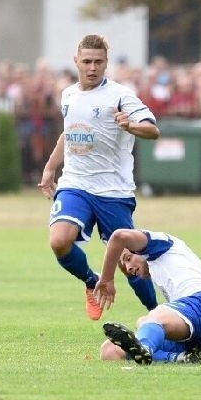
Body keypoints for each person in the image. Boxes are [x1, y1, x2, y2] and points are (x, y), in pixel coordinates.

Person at [38, 34, 160, 321]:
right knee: (59, 241)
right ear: (76, 61)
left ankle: (159, 315)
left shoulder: (119, 95)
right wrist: (50, 167)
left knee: (130, 262)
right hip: (75, 184)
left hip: (113, 191)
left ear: (106, 63)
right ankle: (92, 282)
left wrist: (130, 125)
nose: (93, 67)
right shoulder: (68, 94)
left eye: (99, 62)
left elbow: (152, 129)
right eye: (87, 61)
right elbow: (70, 133)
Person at [95, 228, 201, 364]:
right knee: (110, 350)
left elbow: (118, 236)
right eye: (125, 266)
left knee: (147, 320)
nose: (128, 268)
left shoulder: (162, 243)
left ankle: (146, 348)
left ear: (139, 249)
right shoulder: (193, 272)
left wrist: (107, 278)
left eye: (128, 259)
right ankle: (177, 357)